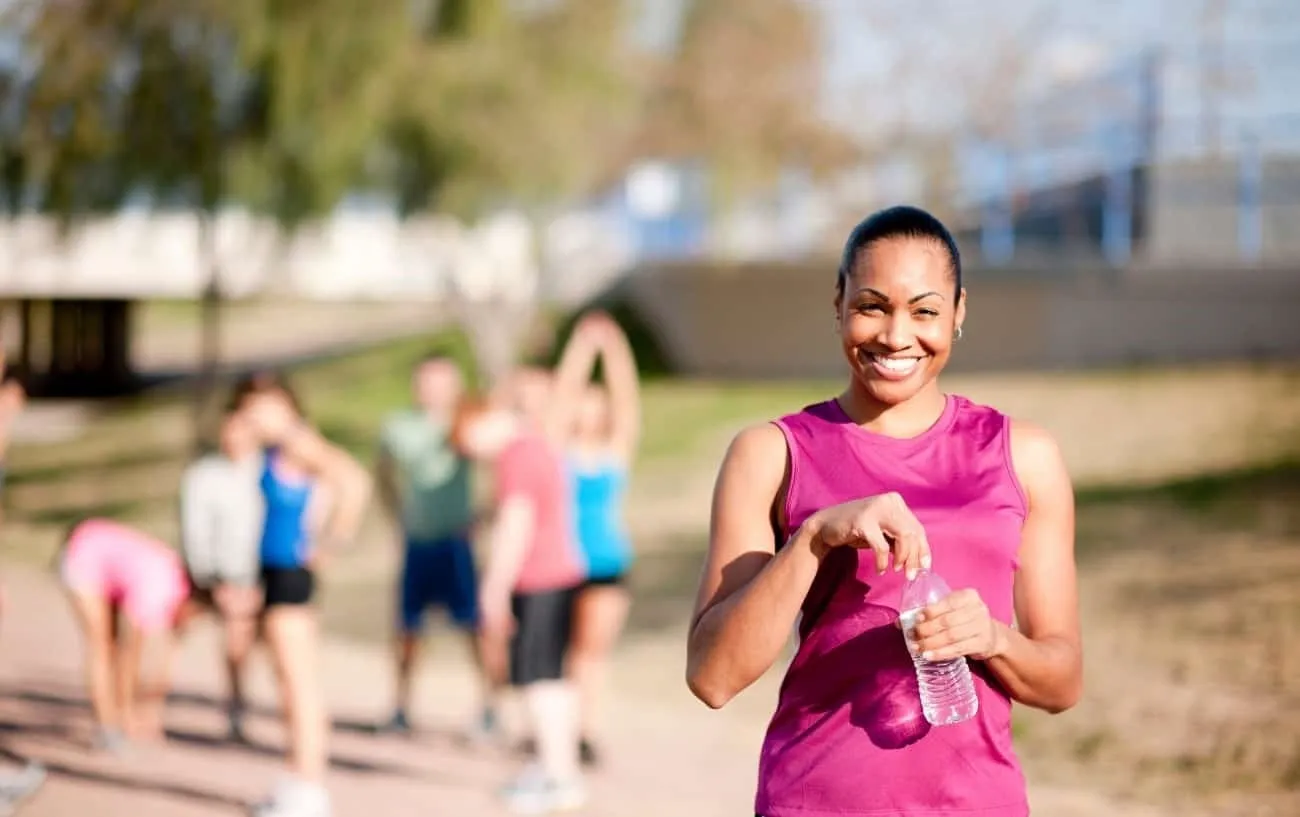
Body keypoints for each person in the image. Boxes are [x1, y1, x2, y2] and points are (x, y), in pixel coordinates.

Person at [685, 205, 1082, 817]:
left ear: (959, 313)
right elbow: (713, 677)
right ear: (838, 302)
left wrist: (993, 639)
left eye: (924, 310)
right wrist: (813, 539)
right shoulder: (770, 455)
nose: (897, 337)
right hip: (813, 800)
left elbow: (1062, 682)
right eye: (872, 305)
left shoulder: (1024, 455)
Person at [231, 371, 372, 817]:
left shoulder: (299, 442)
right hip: (271, 571)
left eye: (265, 406)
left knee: (299, 682)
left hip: (292, 573)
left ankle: (309, 787)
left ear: (287, 405)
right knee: (285, 679)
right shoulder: (270, 448)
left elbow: (354, 480)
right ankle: (296, 775)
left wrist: (333, 539)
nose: (257, 415)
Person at [453, 394, 587, 814]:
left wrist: (494, 588)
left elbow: (517, 521)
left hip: (538, 579)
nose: (470, 451)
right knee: (552, 676)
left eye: (466, 440)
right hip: (562, 573)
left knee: (536, 680)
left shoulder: (515, 455)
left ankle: (559, 777)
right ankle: (556, 767)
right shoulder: (538, 445)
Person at [375, 353, 497, 738]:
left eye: (442, 383)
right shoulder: (398, 428)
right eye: (427, 382)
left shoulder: (469, 424)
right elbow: (383, 476)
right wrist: (398, 517)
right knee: (408, 628)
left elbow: (500, 469)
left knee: (473, 627)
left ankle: (489, 708)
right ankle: (400, 707)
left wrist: (482, 516)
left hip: (456, 543)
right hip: (418, 543)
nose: (433, 391)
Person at [544, 312, 641, 767]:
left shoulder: (613, 452)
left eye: (594, 403)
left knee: (591, 653)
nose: (588, 408)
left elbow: (627, 403)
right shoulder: (558, 450)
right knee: (558, 652)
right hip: (559, 563)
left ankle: (586, 730)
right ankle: (553, 729)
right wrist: (582, 347)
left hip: (606, 563)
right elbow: (560, 400)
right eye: (585, 401)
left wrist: (615, 347)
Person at [57, 518, 195, 752]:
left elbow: (161, 659)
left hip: (107, 557)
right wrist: (129, 713)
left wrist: (150, 712)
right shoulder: (160, 588)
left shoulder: (172, 585)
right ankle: (108, 727)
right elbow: (132, 655)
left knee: (114, 646)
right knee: (101, 645)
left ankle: (115, 720)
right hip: (85, 554)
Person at [178, 406, 266, 743]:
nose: (234, 437)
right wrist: (211, 578)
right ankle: (236, 706)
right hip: (223, 575)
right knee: (229, 641)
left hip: (266, 571)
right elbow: (195, 530)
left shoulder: (267, 471)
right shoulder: (204, 475)